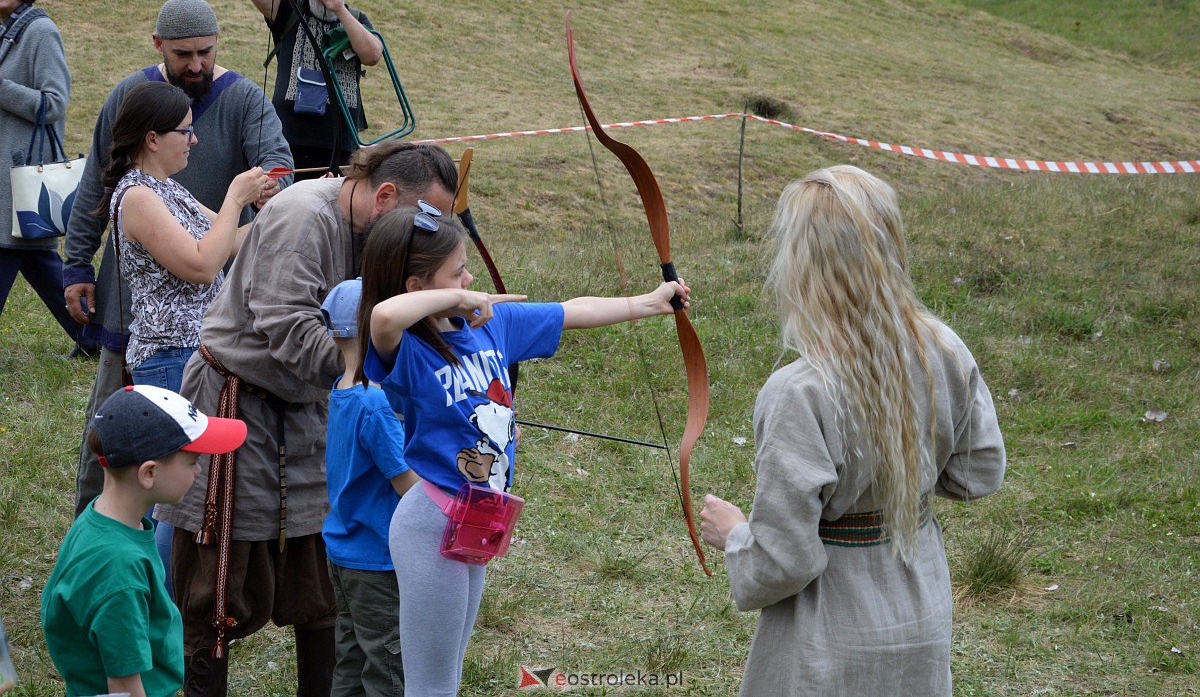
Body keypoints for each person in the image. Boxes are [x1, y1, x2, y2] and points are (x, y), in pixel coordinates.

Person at [155, 141, 458, 697]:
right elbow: (289, 328)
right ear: (385, 195)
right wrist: (384, 372)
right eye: (420, 217)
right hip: (237, 407)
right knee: (215, 584)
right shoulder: (303, 218)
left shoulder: (379, 233)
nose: (422, 234)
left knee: (322, 579)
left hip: (311, 412)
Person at [357, 204, 691, 697]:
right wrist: (459, 296)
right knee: (430, 686)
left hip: (481, 517)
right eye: (458, 272)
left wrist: (649, 301)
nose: (470, 278)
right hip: (431, 522)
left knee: (448, 670)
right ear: (418, 288)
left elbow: (571, 310)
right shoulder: (407, 347)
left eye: (468, 268)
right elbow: (383, 313)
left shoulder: (494, 327)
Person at [699, 165, 1007, 696]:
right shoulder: (946, 351)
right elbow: (976, 472)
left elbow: (783, 559)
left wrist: (734, 536)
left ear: (803, 265)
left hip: (829, 634)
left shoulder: (799, 391)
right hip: (919, 607)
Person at [64, 0, 292, 520]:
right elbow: (96, 179)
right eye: (183, 54)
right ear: (158, 46)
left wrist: (273, 194)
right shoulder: (132, 110)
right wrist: (77, 262)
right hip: (144, 313)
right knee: (116, 428)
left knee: (189, 455)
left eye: (205, 52)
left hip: (212, 311)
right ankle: (95, 530)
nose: (196, 64)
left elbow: (275, 168)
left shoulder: (243, 100)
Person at [41, 385, 246, 697]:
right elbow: (124, 687)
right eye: (192, 462)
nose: (200, 469)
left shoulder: (100, 520)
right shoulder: (119, 572)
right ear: (149, 473)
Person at [97, 81, 270, 389]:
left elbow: (231, 240)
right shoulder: (138, 197)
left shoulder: (166, 188)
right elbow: (202, 266)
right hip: (170, 359)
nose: (194, 139)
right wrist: (235, 198)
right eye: (186, 131)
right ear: (152, 139)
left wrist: (284, 207)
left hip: (191, 354)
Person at [320, 278, 419, 697]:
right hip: (378, 562)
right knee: (389, 668)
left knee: (352, 659)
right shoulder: (375, 403)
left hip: (344, 555)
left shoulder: (342, 391)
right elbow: (408, 486)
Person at [0, 0, 90, 355]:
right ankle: (94, 337)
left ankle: (96, 337)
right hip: (7, 174)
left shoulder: (39, 31)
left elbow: (54, 102)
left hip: (19, 172)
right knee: (38, 259)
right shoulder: (3, 32)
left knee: (10, 248)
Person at [243, 0, 382, 179]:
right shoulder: (289, 11)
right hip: (287, 138)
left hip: (340, 144)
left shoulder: (355, 19)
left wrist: (339, 10)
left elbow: (373, 55)